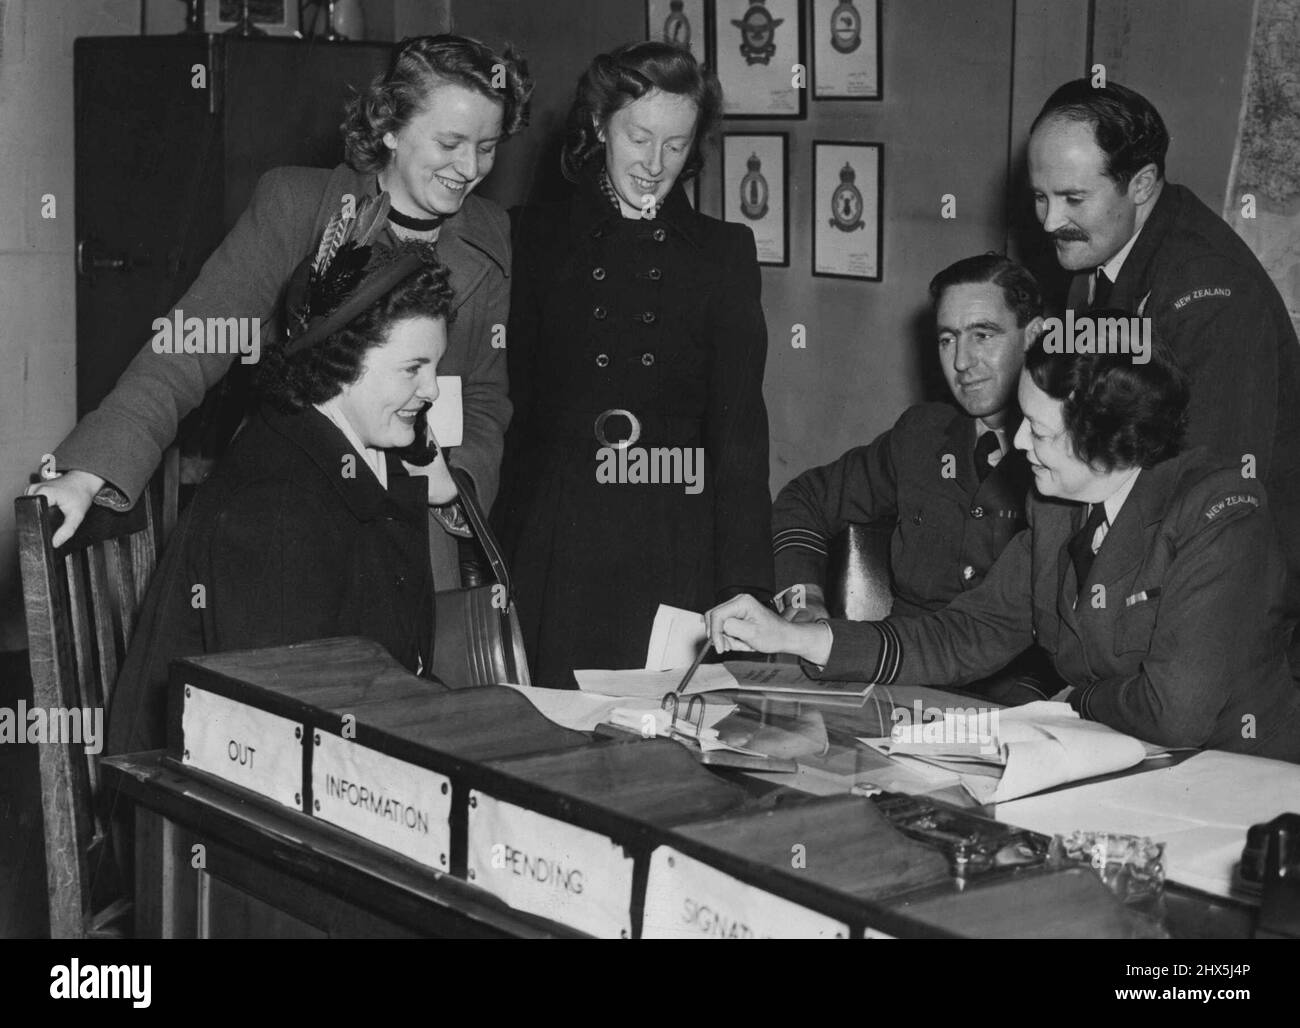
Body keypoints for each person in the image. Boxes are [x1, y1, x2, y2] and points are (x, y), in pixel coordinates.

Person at [29, 35, 532, 590]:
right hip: (295, 515)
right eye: (450, 142)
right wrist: (90, 470)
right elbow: (190, 344)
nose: (469, 167)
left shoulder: (491, 235)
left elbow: (486, 396)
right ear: (390, 127)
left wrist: (455, 486)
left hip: (419, 528)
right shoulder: (296, 206)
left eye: (486, 147)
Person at [706, 321, 1300, 761]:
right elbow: (966, 633)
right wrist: (795, 637)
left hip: (1237, 779)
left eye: (1038, 431)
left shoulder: (1220, 513)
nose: (1016, 446)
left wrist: (1080, 699)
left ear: (1106, 441)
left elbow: (1177, 712)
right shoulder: (1058, 505)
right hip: (1124, 765)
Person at [106, 217, 452, 757]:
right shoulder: (278, 505)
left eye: (434, 366)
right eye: (412, 368)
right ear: (343, 362)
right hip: (211, 812)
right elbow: (274, 739)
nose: (431, 389)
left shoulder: (357, 455)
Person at [494, 41, 772, 684]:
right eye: (638, 138)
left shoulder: (723, 252)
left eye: (676, 145)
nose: (654, 165)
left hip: (668, 537)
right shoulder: (532, 235)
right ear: (598, 126)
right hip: (550, 536)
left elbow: (739, 434)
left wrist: (746, 589)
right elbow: (511, 404)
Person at [1027, 78, 1300, 666]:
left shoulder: (1211, 296)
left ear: (1143, 184)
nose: (1050, 222)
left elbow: (1218, 493)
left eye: (1072, 198)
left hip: (1222, 615)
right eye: (1040, 197)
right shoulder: (1097, 252)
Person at [772, 254, 1051, 702]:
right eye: (947, 339)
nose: (962, 361)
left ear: (1035, 336)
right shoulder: (921, 437)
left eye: (983, 335)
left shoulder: (1066, 459)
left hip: (1015, 701)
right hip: (898, 684)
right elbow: (804, 499)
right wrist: (804, 604)